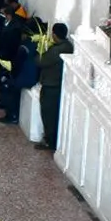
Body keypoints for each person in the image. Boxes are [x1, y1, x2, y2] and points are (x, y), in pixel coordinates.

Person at [36, 22, 73, 151]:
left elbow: (40, 61)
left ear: (55, 35)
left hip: (51, 85)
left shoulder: (56, 50)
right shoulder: (68, 46)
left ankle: (49, 141)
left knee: (48, 114)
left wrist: (40, 51)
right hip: (57, 84)